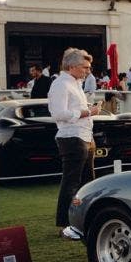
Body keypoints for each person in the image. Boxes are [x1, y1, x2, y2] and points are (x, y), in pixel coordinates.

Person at [48, 48, 100, 240]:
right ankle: (65, 225)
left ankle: (84, 220)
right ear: (72, 66)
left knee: (88, 182)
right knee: (71, 183)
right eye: (85, 67)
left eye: (89, 67)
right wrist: (88, 112)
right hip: (71, 137)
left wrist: (88, 111)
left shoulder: (75, 83)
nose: (88, 71)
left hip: (85, 135)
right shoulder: (60, 84)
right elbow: (58, 114)